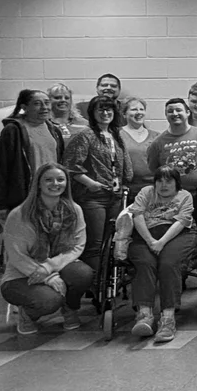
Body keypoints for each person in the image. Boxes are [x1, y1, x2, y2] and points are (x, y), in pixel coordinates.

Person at [1, 163, 92, 334]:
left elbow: (77, 246)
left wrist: (49, 267)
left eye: (60, 179)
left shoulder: (74, 210)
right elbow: (16, 255)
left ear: (67, 184)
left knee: (83, 274)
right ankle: (27, 314)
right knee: (49, 301)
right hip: (23, 273)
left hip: (55, 266)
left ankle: (69, 308)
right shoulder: (20, 215)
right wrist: (48, 277)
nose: (55, 184)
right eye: (48, 180)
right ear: (38, 184)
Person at [126, 166, 197, 343]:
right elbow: (137, 216)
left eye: (168, 181)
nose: (163, 185)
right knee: (144, 262)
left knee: (168, 263)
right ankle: (144, 315)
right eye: (159, 181)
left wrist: (161, 242)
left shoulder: (184, 196)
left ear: (176, 183)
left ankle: (168, 318)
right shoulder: (145, 192)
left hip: (177, 235)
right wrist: (150, 241)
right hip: (146, 234)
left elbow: (181, 222)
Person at [64, 95, 132, 273]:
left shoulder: (116, 135)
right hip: (93, 197)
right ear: (92, 113)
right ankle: (95, 284)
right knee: (95, 244)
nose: (105, 113)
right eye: (100, 109)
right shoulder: (85, 136)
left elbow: (125, 164)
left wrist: (125, 183)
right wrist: (91, 183)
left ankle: (107, 283)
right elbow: (71, 166)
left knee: (112, 241)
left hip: (115, 196)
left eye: (109, 109)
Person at [0, 90, 65, 219]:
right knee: (22, 236)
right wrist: (1, 203)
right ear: (24, 108)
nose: (44, 107)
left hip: (50, 193)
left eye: (47, 103)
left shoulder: (54, 130)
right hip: (24, 196)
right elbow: (1, 169)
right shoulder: (13, 131)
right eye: (37, 103)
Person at [147, 98, 197, 223]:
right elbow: (155, 168)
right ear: (166, 115)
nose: (175, 114)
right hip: (174, 198)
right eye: (170, 111)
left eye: (178, 110)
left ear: (187, 112)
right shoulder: (157, 143)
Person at [120, 97, 160, 201]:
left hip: (153, 189)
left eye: (141, 109)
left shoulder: (156, 136)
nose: (139, 112)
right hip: (127, 190)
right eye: (134, 109)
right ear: (124, 114)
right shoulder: (117, 135)